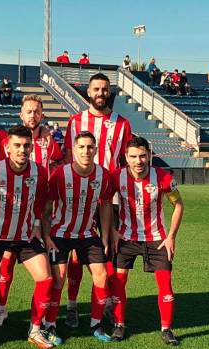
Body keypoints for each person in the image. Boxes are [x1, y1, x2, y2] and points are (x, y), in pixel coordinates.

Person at [62, 72, 132, 327]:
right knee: (76, 256)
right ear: (88, 92)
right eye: (96, 89)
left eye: (105, 89)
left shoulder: (122, 123)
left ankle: (107, 305)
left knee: (107, 252)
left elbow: (125, 162)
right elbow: (70, 158)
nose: (100, 93)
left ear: (109, 92)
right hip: (79, 198)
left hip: (110, 200)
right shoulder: (75, 122)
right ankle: (71, 306)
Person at [0, 125, 54, 349]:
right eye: (17, 145)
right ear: (7, 146)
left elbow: (40, 201)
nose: (22, 150)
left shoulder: (39, 171)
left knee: (45, 280)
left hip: (25, 236)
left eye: (26, 145)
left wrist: (37, 224)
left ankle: (35, 329)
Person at [0, 95, 64, 325]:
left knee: (49, 267)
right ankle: (1, 309)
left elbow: (58, 164)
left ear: (42, 115)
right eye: (29, 111)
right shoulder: (8, 138)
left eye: (37, 112)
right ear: (21, 114)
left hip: (39, 210)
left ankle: (47, 317)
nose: (33, 115)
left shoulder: (48, 140)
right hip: (10, 210)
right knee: (6, 262)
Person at [108, 136, 183, 344]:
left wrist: (171, 237)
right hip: (126, 238)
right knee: (118, 281)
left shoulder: (163, 177)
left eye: (142, 156)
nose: (138, 161)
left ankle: (166, 329)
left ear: (149, 156)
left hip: (157, 239)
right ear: (126, 157)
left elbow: (178, 205)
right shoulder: (117, 177)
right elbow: (105, 203)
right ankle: (119, 325)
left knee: (165, 284)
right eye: (133, 156)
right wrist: (113, 231)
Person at [42, 131, 115, 343]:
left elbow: (106, 205)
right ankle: (51, 325)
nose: (86, 151)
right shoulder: (60, 174)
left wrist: (105, 237)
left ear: (96, 149)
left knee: (101, 276)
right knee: (59, 277)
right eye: (81, 147)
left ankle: (96, 324)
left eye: (90, 147)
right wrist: (46, 236)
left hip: (88, 233)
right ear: (74, 150)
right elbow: (47, 208)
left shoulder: (104, 175)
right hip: (60, 233)